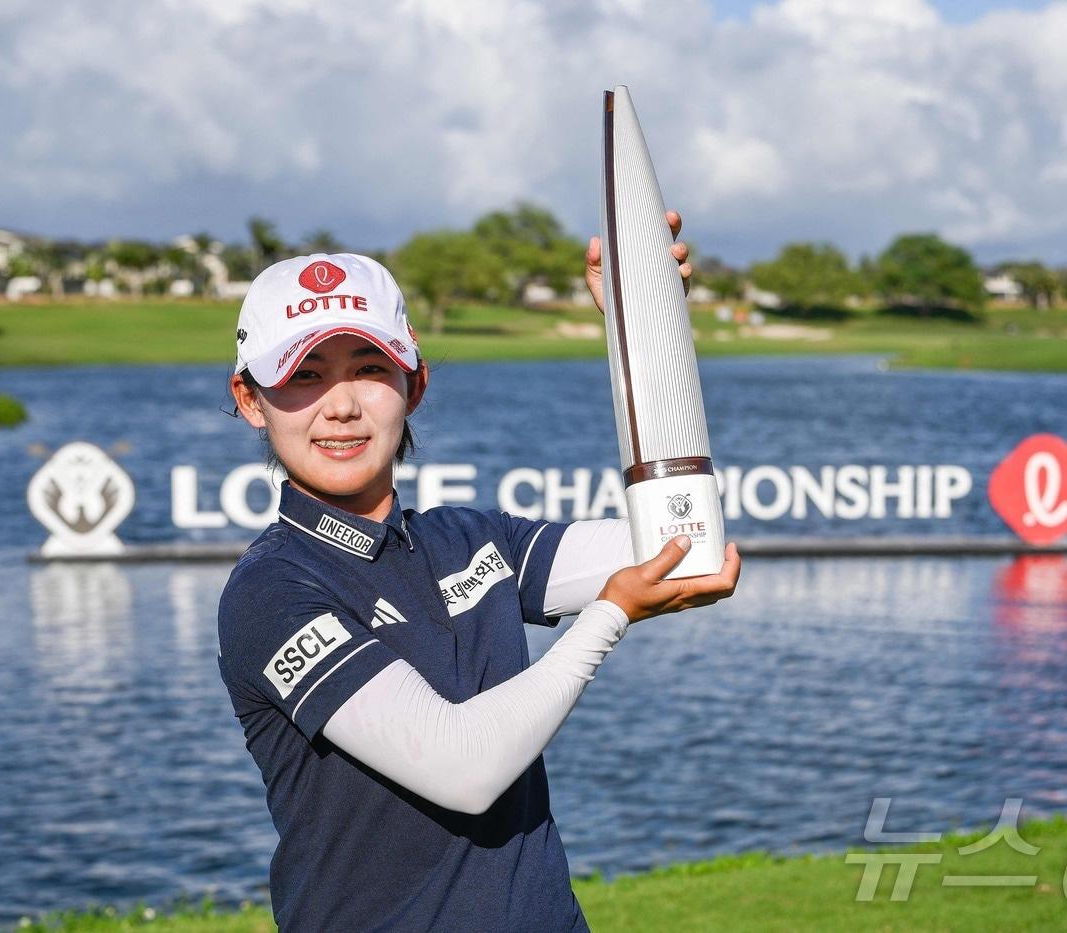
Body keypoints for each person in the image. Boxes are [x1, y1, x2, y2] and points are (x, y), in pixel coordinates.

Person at [218, 214, 741, 931]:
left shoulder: (468, 537)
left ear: (416, 384)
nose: (340, 405)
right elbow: (462, 767)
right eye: (304, 376)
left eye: (370, 369)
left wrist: (643, 334)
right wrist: (609, 615)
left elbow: (689, 541)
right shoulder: (271, 590)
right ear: (251, 399)